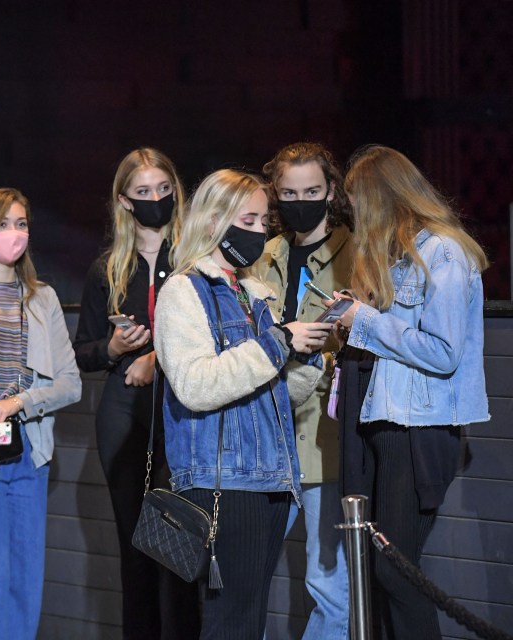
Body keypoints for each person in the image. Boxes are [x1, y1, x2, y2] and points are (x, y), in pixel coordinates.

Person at [154, 169, 331, 639]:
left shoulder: (254, 294)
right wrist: (278, 344)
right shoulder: (183, 291)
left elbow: (268, 393)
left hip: (271, 478)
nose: (259, 231)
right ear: (213, 220)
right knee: (231, 622)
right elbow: (195, 384)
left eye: (262, 220)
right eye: (247, 219)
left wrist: (305, 359)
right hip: (223, 483)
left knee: (248, 620)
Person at [334, 145, 489, 639]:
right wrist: (355, 318)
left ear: (383, 197)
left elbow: (443, 351)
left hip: (417, 430)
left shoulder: (444, 251)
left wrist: (367, 321)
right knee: (384, 572)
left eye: (358, 199)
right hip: (384, 423)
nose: (353, 211)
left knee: (394, 571)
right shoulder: (394, 256)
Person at [72, 148, 196, 639]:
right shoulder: (109, 268)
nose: (155, 200)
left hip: (181, 407)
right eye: (143, 192)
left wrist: (156, 357)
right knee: (135, 546)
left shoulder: (193, 258)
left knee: (180, 542)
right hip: (124, 410)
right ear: (124, 201)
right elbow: (83, 353)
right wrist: (114, 346)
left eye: (163, 190)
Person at [0, 188, 82, 640]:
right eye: (5, 223)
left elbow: (70, 383)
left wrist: (18, 402)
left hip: (31, 450)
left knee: (26, 580)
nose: (15, 233)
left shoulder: (42, 297)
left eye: (22, 223)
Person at [252, 142, 354, 639]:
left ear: (330, 191)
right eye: (289, 193)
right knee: (242, 572)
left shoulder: (355, 250)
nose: (301, 201)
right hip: (265, 434)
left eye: (312, 191)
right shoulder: (264, 252)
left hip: (322, 438)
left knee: (327, 582)